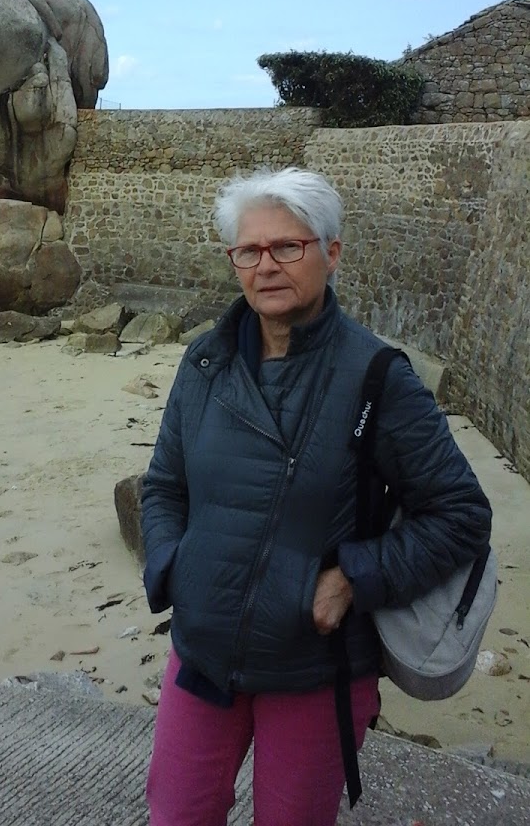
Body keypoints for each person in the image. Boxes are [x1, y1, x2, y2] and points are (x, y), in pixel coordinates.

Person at [141, 166, 492, 826]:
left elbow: (461, 514)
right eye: (249, 250)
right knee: (176, 813)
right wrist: (175, 568)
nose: (266, 266)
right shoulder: (205, 363)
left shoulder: (378, 376)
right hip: (203, 652)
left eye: (287, 246)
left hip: (314, 668)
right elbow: (163, 486)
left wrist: (353, 578)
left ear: (331, 254)